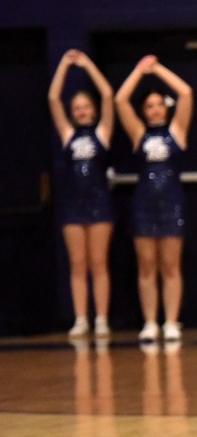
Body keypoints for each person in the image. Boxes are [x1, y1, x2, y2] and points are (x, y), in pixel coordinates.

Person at [114, 55, 194, 342]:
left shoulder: (177, 132)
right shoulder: (138, 134)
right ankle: (150, 321)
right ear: (144, 111)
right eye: (150, 106)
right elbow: (120, 101)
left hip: (172, 204)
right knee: (146, 266)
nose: (155, 110)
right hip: (143, 205)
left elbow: (186, 93)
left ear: (166, 108)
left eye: (160, 104)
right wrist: (138, 71)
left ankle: (172, 321)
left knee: (170, 266)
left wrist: (158, 68)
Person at [47, 49, 115, 339]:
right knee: (77, 263)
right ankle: (81, 318)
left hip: (99, 203)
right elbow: (52, 99)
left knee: (98, 262)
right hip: (73, 205)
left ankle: (101, 318)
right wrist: (63, 65)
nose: (82, 111)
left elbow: (109, 94)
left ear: (94, 110)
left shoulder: (102, 133)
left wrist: (88, 65)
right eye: (77, 108)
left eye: (86, 106)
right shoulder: (67, 134)